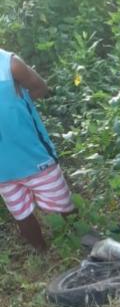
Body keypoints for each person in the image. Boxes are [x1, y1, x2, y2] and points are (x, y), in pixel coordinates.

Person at [0, 50, 70, 251]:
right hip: (3, 173)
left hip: (35, 158)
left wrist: (17, 108)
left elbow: (39, 88)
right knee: (22, 216)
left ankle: (80, 244)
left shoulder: (10, 64)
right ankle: (42, 251)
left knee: (64, 207)